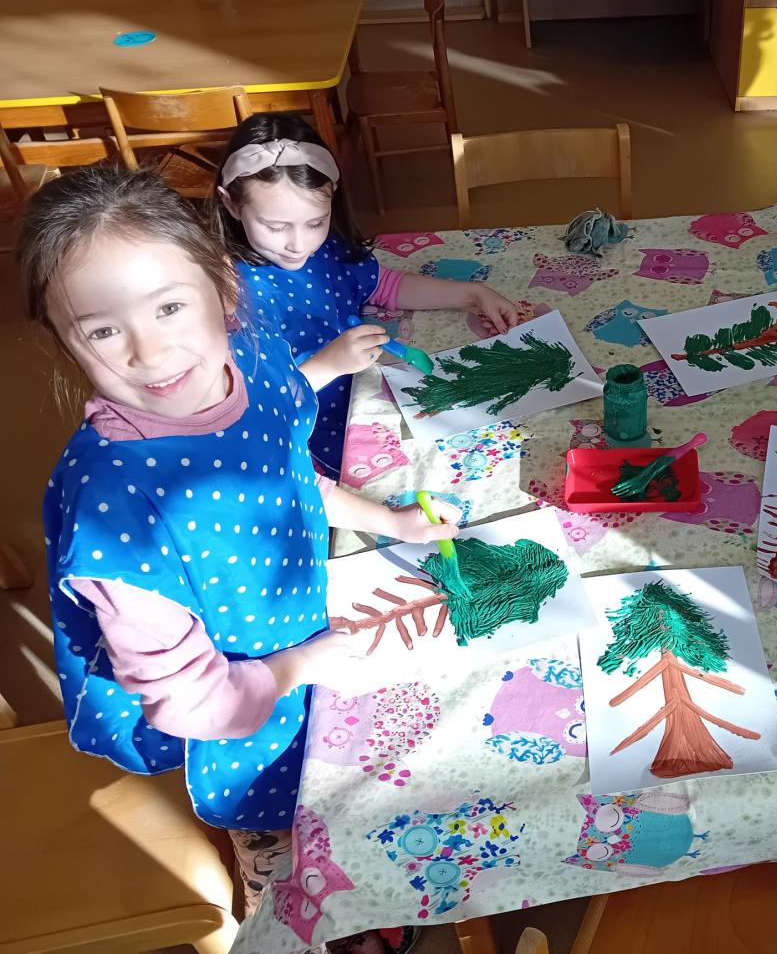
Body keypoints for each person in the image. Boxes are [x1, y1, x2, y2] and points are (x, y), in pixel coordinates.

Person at [23, 166, 459, 939]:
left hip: (296, 639)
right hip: (236, 714)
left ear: (224, 288)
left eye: (168, 306)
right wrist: (301, 665)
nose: (150, 351)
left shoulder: (253, 362)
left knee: (336, 794)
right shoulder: (114, 509)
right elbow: (196, 703)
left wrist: (389, 522)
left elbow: (288, 474)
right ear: (64, 341)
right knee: (277, 844)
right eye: (102, 330)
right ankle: (280, 900)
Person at [210, 112, 520, 473]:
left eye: (316, 222)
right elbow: (253, 406)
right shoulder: (230, 294)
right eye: (276, 227)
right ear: (231, 204)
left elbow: (384, 285)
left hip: (369, 398)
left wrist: (472, 294)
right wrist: (327, 365)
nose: (299, 243)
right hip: (312, 436)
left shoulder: (325, 248)